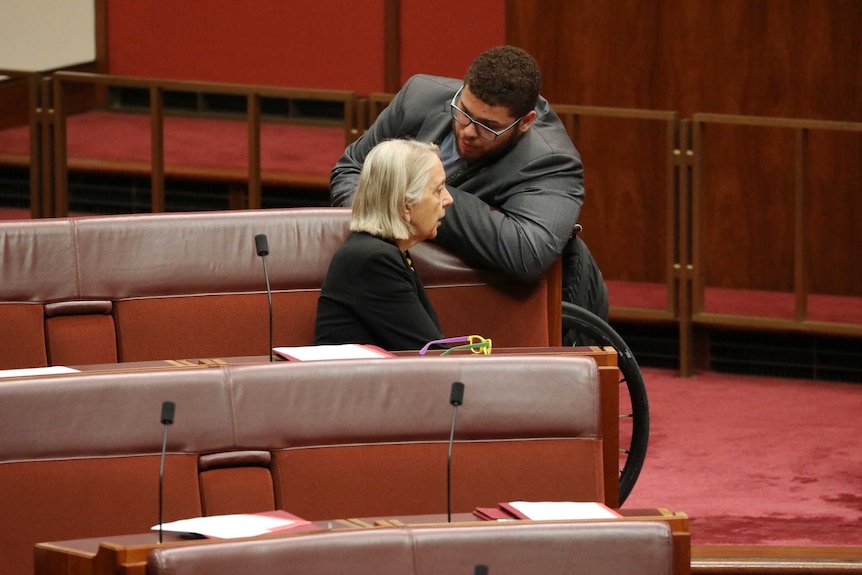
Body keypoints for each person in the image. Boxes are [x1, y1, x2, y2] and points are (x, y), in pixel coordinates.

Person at [331, 45, 609, 342]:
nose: (468, 132)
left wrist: (420, 194)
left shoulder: (552, 161)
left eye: (488, 127)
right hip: (403, 281)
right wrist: (381, 223)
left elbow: (526, 252)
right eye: (464, 113)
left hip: (513, 313)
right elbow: (350, 170)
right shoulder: (419, 95)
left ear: (526, 122)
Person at [315, 138, 453, 351]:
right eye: (438, 190)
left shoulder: (386, 251)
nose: (448, 199)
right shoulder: (372, 260)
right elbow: (429, 352)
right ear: (405, 205)